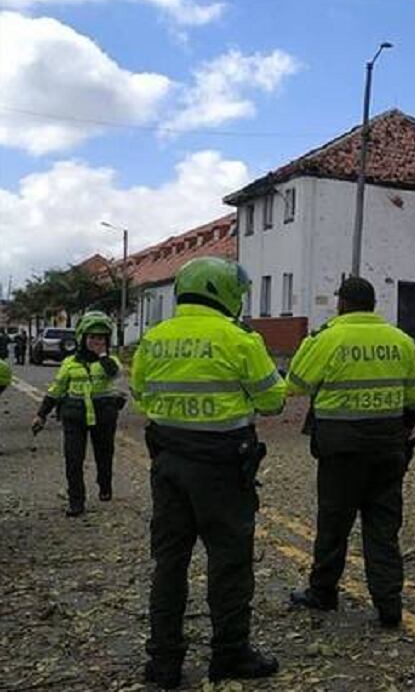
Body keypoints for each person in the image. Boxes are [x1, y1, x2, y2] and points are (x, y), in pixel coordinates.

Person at [131, 257, 287, 688]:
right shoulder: (238, 339)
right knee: (229, 562)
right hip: (222, 466)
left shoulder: (155, 338)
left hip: (168, 462)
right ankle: (230, 655)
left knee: (169, 563)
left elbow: (141, 394)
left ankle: (163, 663)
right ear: (223, 291)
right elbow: (273, 400)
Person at [286, 277, 415, 628]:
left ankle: (323, 592)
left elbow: (295, 386)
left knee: (333, 524)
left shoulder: (327, 338)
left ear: (342, 304)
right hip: (387, 448)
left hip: (341, 450)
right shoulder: (401, 341)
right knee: (383, 529)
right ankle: (389, 605)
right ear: (372, 304)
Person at [31, 312, 124, 516]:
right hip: (75, 415)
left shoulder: (110, 361)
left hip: (104, 415)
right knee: (73, 459)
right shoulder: (70, 363)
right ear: (82, 338)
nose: (96, 342)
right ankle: (76, 501)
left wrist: (102, 356)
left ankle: (104, 483)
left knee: (104, 454)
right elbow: (56, 389)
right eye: (91, 338)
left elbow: (115, 374)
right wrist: (42, 414)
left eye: (101, 338)